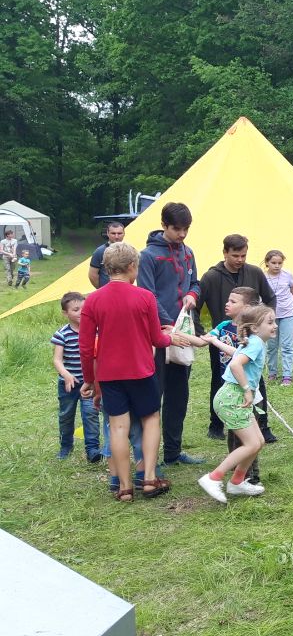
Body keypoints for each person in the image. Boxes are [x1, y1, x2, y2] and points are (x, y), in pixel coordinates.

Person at [82, 242, 196, 501]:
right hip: (142, 371)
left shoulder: (93, 300)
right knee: (151, 419)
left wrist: (90, 379)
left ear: (107, 268)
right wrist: (172, 339)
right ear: (132, 266)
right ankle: (149, 479)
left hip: (110, 375)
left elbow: (86, 347)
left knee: (118, 427)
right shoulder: (144, 297)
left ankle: (123, 488)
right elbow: (157, 338)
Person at [137, 202, 205, 467]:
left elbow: (196, 283)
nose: (182, 234)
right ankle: (148, 456)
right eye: (177, 229)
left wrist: (192, 294)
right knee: (155, 395)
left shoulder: (188, 253)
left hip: (183, 335)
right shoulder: (148, 256)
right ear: (164, 225)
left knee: (179, 395)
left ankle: (173, 453)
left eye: (186, 229)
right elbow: (148, 295)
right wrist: (167, 325)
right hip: (157, 336)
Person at [196, 234, 276, 443]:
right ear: (225, 253)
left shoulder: (254, 272)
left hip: (248, 336)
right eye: (235, 255)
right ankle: (216, 424)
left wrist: (266, 324)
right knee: (219, 380)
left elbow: (270, 298)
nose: (240, 259)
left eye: (243, 255)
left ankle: (262, 425)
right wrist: (200, 331)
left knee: (255, 379)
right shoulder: (211, 277)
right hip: (223, 336)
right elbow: (196, 304)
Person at [197, 304, 274, 503]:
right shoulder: (256, 342)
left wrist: (215, 341)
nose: (275, 326)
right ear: (255, 328)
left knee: (258, 442)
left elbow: (235, 352)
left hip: (234, 398)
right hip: (232, 398)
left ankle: (237, 482)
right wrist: (248, 389)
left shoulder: (254, 341)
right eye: (270, 322)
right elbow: (235, 364)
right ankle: (213, 478)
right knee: (250, 444)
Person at [53, 292, 104, 462]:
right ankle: (66, 446)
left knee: (91, 414)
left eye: (83, 308)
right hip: (68, 384)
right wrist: (66, 375)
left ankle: (93, 449)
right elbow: (57, 360)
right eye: (75, 309)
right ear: (65, 313)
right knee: (66, 415)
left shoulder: (96, 331)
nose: (81, 312)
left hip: (89, 383)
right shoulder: (62, 334)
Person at [263, 250, 293, 386]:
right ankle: (272, 373)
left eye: (280, 263)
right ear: (267, 263)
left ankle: (287, 375)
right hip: (269, 316)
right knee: (271, 346)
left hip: (287, 313)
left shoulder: (287, 275)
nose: (277, 266)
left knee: (287, 345)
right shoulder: (262, 277)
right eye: (273, 263)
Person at [88, 221, 126, 288]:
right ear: (107, 233)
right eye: (113, 233)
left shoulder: (128, 251)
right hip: (106, 291)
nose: (116, 236)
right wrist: (101, 289)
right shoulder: (99, 252)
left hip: (125, 290)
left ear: (124, 234)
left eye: (119, 233)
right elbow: (92, 275)